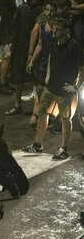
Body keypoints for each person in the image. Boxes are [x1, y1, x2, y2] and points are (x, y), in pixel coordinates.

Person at [22, 18, 83, 160]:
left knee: (65, 119)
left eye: (57, 29)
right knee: (42, 113)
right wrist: (48, 75)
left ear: (66, 31)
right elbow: (50, 58)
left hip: (65, 90)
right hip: (51, 88)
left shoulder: (74, 46)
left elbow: (82, 68)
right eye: (54, 29)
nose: (54, 31)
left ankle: (63, 148)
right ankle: (38, 145)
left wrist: (76, 86)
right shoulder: (55, 44)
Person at [4, 0, 40, 116]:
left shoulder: (42, 9)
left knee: (38, 79)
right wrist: (10, 48)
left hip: (37, 48)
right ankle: (17, 104)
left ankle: (37, 109)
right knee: (18, 77)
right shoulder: (22, 9)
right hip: (21, 47)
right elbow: (14, 29)